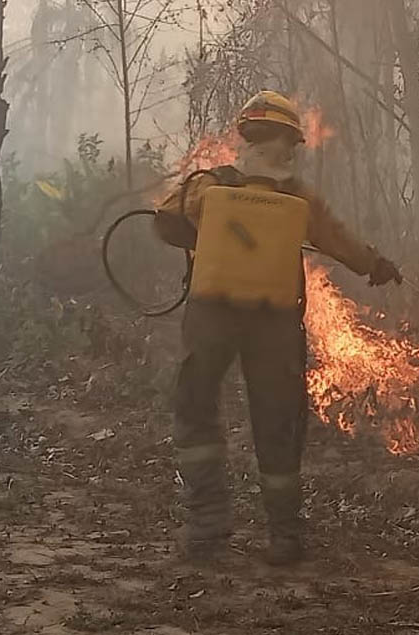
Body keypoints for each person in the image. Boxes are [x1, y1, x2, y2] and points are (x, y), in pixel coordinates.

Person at [153, 90, 402, 565]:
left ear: (245, 135)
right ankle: (285, 537)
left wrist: (208, 240)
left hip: (212, 316)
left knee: (197, 408)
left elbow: (165, 222)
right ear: (287, 144)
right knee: (278, 421)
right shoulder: (299, 198)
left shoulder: (209, 185)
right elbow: (339, 241)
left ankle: (207, 530)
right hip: (275, 322)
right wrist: (377, 265)